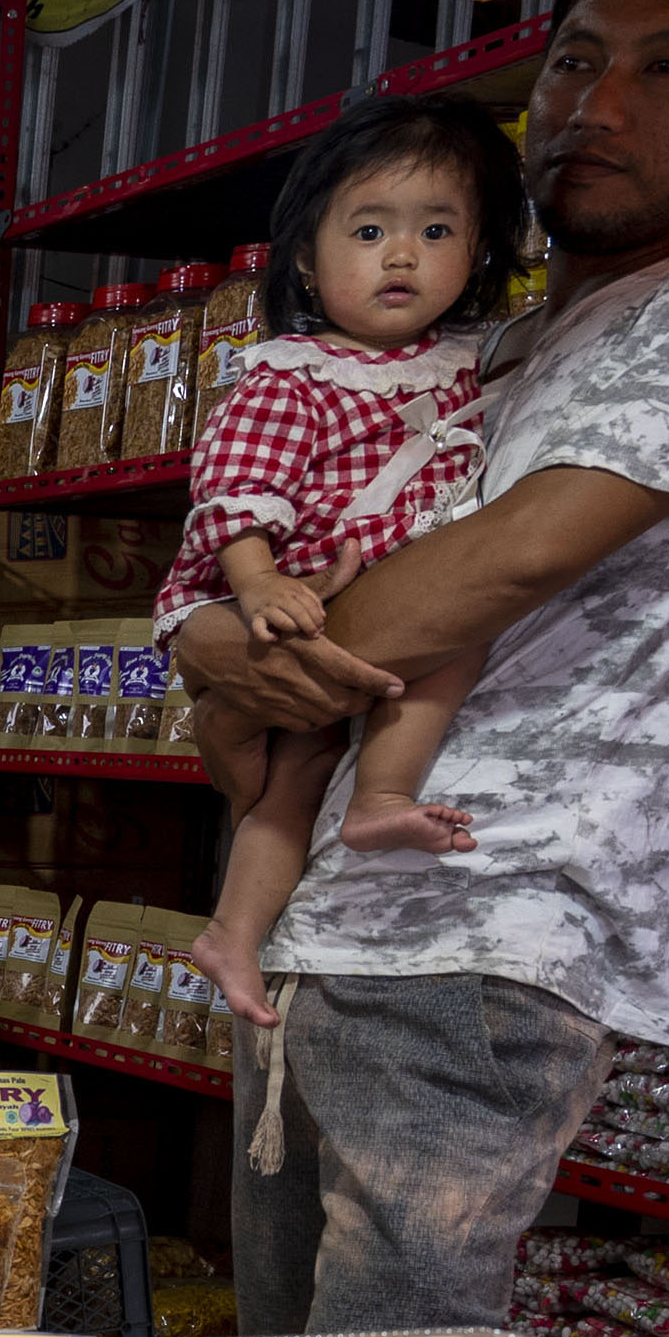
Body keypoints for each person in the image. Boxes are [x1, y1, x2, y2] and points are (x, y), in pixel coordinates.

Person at [169, 0, 669, 1334]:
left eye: (666, 67)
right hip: (326, 932)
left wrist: (246, 674)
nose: (594, 104)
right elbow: (284, 546)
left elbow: (521, 549)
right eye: (571, 62)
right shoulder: (492, 345)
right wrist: (207, 649)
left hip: (494, 920)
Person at [165, 94, 533, 1030]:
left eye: (436, 230)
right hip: (292, 591)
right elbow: (235, 488)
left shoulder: (473, 362)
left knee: (450, 650)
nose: (401, 255)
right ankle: (235, 932)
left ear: (479, 251)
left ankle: (379, 798)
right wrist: (255, 582)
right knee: (291, 776)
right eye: (369, 230)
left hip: (396, 593)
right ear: (304, 256)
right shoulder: (291, 372)